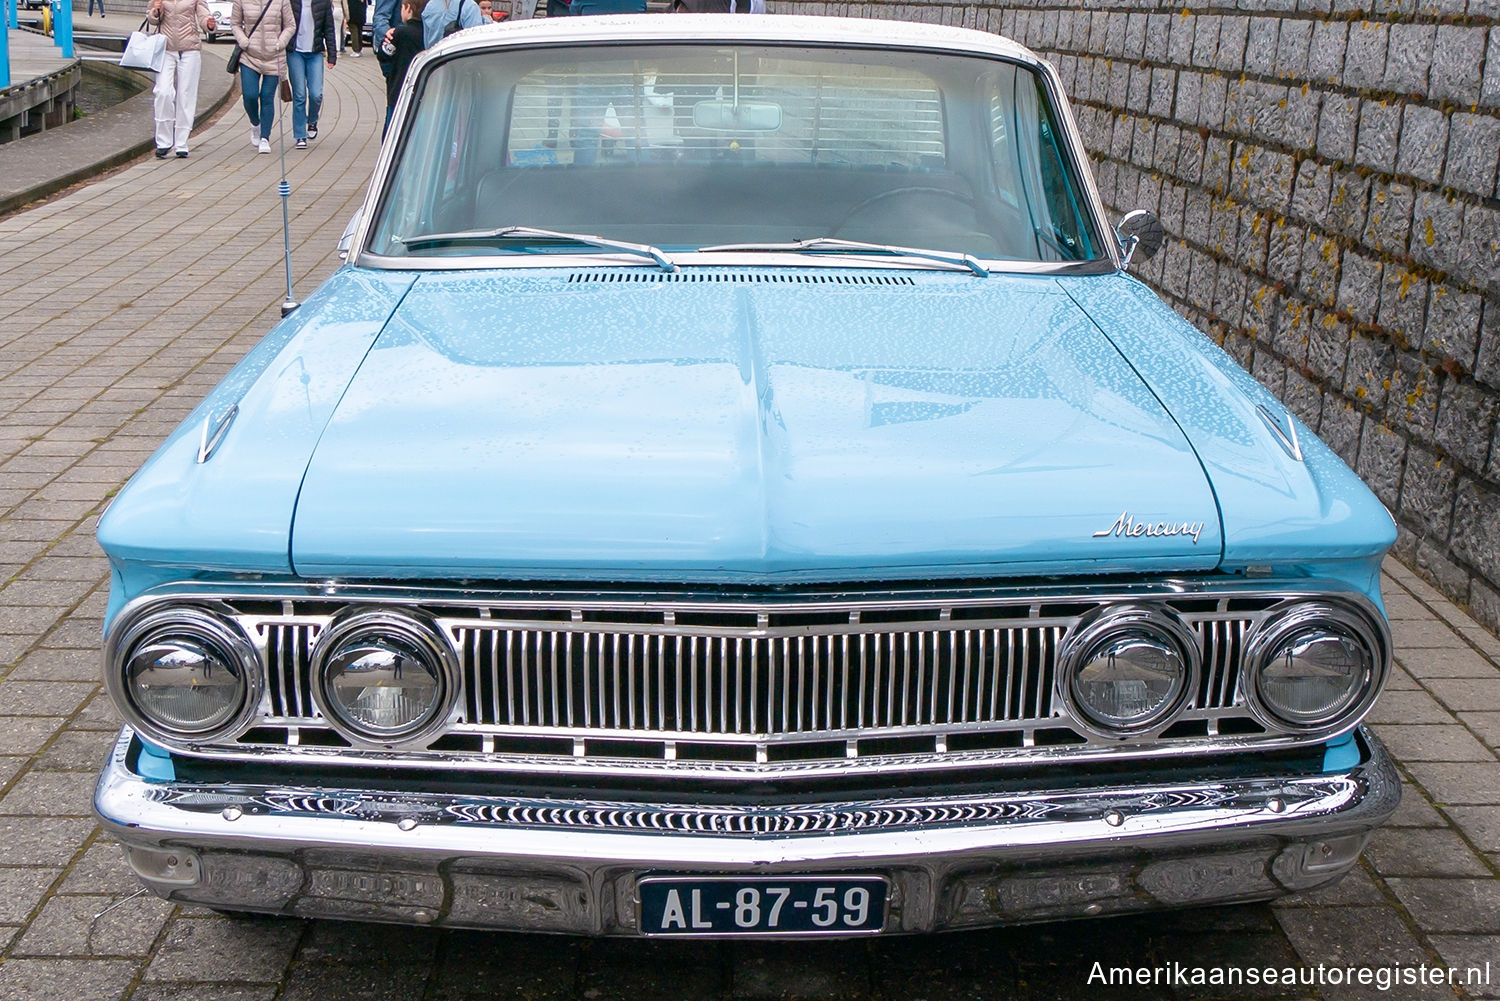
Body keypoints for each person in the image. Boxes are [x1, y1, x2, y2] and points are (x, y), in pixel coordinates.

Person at [147, 0, 215, 158]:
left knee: (186, 95)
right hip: (165, 48)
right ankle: (163, 142)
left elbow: (204, 16)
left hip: (190, 49)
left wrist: (209, 24)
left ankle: (181, 143)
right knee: (163, 92)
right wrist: (155, 12)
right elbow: (151, 18)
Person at [231, 0, 295, 154]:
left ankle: (264, 137)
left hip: (274, 56)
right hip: (249, 55)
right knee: (250, 95)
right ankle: (255, 123)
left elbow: (290, 25)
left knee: (267, 96)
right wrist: (244, 41)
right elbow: (235, 24)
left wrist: (281, 41)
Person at [287, 0, 338, 149]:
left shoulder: (323, 3)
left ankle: (312, 121)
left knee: (316, 94)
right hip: (295, 52)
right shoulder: (291, 2)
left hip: (315, 52)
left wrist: (332, 55)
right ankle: (300, 135)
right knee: (300, 94)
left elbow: (329, 29)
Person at [380, 0, 427, 120]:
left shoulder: (399, 33)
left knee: (392, 123)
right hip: (422, 90)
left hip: (399, 88)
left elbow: (383, 54)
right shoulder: (428, 32)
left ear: (408, 9)